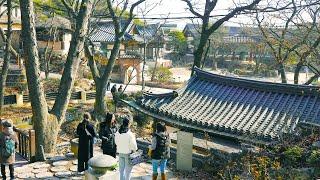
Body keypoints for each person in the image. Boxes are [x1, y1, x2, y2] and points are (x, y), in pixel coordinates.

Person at [115, 116, 137, 180]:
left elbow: (116, 142)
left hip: (120, 153)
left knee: (121, 171)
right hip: (128, 154)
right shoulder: (130, 134)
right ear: (129, 124)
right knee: (128, 172)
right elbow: (134, 147)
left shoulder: (118, 132)